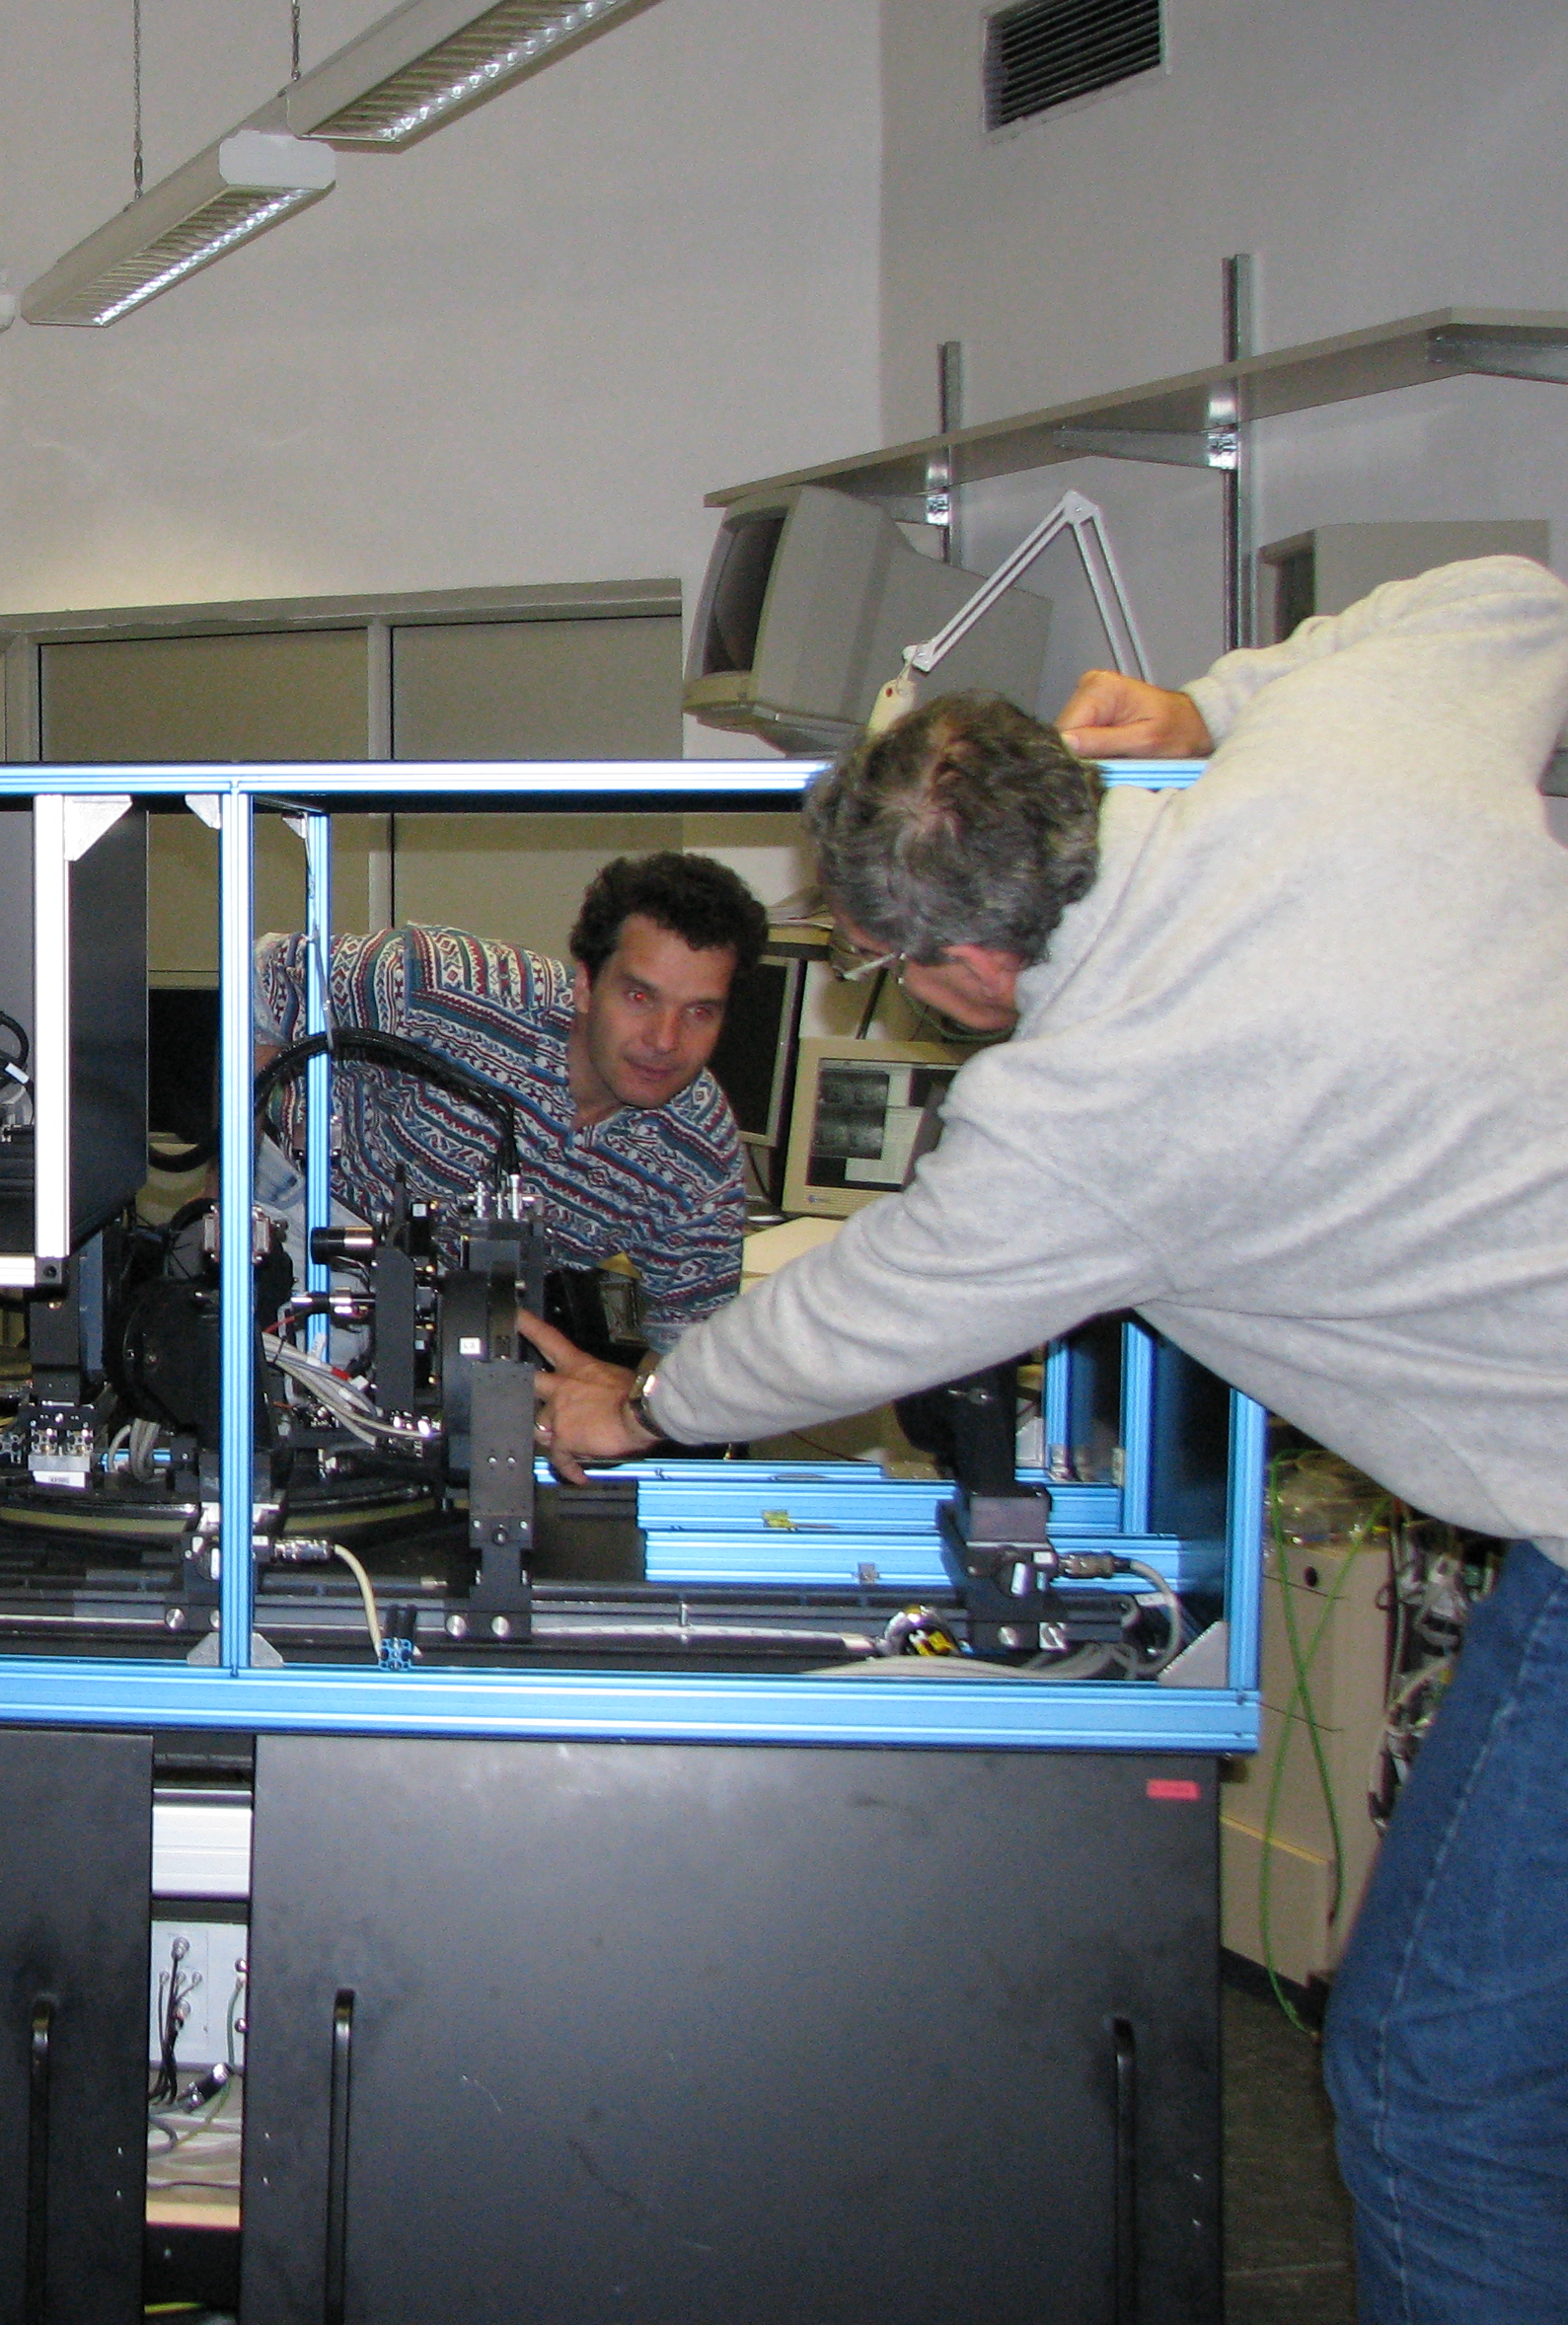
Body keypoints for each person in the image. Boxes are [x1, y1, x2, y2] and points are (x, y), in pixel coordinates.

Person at [520, 556, 1568, 2323]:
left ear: (971, 962)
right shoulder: (1342, 741)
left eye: (884, 974)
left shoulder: (1084, 1111)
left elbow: (854, 1313)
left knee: (1432, 2087)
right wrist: (1213, 702)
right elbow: (1511, 597)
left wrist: (629, 1405)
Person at [257, 850, 770, 1346]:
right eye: (640, 997)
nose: (664, 1040)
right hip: (308, 1210)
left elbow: (694, 1344)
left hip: (454, 1311)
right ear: (585, 985)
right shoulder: (444, 986)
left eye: (700, 1012)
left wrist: (628, 1399)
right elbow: (258, 980)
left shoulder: (697, 1155)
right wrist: (232, 1170)